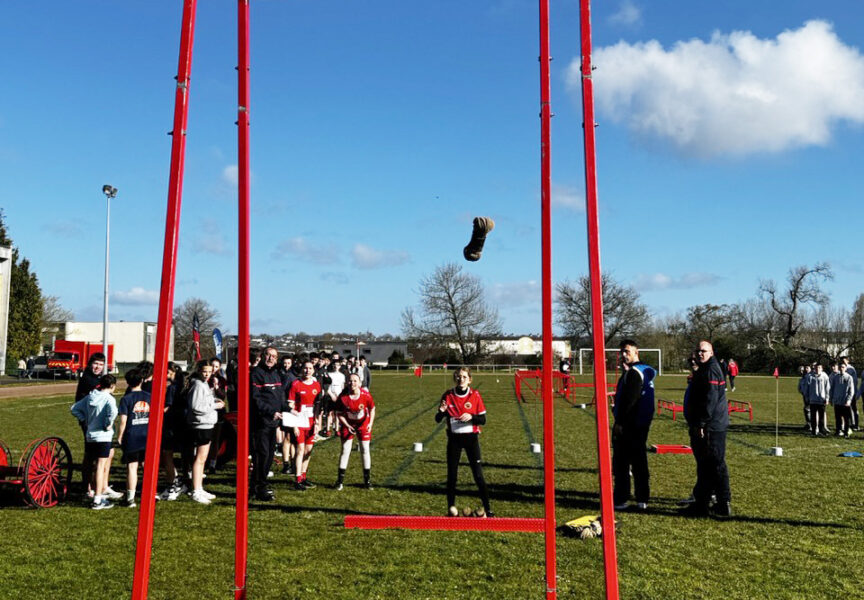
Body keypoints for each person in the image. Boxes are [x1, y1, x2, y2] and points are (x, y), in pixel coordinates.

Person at [681, 341, 731, 518]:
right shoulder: (705, 369)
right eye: (698, 351)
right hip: (708, 424)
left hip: (711, 426)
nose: (700, 354)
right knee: (706, 465)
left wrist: (701, 423)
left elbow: (710, 398)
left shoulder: (710, 369)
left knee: (714, 464)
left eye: (704, 351)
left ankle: (722, 504)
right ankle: (702, 502)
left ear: (711, 352)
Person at [435, 367, 493, 517]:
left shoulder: (475, 395)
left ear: (470, 379)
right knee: (452, 475)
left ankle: (488, 510)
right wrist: (441, 412)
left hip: (471, 439)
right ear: (455, 378)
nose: (461, 380)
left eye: (464, 377)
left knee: (478, 475)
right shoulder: (448, 395)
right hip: (454, 440)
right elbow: (437, 419)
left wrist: (472, 417)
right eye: (459, 377)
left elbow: (483, 420)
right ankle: (451, 509)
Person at [611, 340, 656, 511]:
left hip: (630, 424)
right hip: (641, 423)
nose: (624, 354)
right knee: (638, 461)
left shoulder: (634, 373)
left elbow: (630, 401)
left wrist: (620, 422)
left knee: (622, 462)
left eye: (627, 351)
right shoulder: (644, 370)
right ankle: (642, 498)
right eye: (622, 351)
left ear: (636, 352)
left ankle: (622, 498)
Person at [71, 374, 121, 510]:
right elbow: (113, 413)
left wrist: (83, 420)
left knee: (90, 461)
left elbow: (74, 409)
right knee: (100, 466)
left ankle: (90, 491)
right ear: (112, 386)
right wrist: (108, 424)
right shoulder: (109, 399)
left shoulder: (90, 397)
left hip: (90, 436)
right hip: (103, 437)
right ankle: (98, 499)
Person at [186, 360, 224, 504]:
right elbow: (196, 406)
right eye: (204, 371)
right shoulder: (197, 385)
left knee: (202, 459)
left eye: (209, 371)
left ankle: (199, 488)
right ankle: (196, 490)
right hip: (201, 425)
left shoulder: (204, 384)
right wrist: (215, 405)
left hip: (207, 424)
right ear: (199, 370)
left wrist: (214, 398)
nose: (207, 374)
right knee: (200, 458)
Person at [250, 347, 286, 501]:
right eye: (268, 355)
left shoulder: (276, 374)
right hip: (261, 422)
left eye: (274, 356)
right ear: (263, 356)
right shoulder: (256, 374)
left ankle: (259, 485)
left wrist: (291, 410)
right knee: (262, 455)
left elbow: (280, 399)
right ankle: (258, 487)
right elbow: (255, 399)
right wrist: (271, 412)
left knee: (270, 456)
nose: (271, 358)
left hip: (273, 423)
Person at [116, 368, 151, 508]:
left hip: (132, 436)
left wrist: (120, 436)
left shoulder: (126, 399)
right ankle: (149, 493)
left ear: (127, 382)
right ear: (142, 380)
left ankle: (130, 498)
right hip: (146, 435)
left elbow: (123, 421)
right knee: (146, 466)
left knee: (132, 467)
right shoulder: (149, 396)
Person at [334, 373, 376, 490]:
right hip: (348, 424)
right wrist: (347, 425)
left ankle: (367, 481)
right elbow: (338, 413)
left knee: (365, 449)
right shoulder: (343, 397)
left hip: (363, 424)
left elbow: (372, 409)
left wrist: (370, 424)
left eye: (355, 381)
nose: (352, 383)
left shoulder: (366, 395)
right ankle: (340, 481)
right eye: (350, 381)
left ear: (360, 382)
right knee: (345, 450)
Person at [287, 360, 323, 490]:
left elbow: (318, 406)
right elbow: (290, 404)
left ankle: (303, 476)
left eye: (310, 368)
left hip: (311, 422)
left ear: (313, 370)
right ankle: (297, 478)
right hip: (299, 422)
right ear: (302, 370)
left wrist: (318, 422)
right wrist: (294, 425)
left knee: (308, 450)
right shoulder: (296, 384)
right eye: (305, 368)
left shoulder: (317, 385)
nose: (307, 370)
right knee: (300, 449)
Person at [829, 361, 854, 437]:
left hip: (845, 401)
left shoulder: (849, 377)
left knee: (846, 418)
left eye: (843, 367)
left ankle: (846, 432)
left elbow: (851, 390)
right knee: (838, 418)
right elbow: (832, 388)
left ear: (846, 368)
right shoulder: (835, 377)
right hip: (837, 401)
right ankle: (838, 431)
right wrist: (831, 398)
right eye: (840, 367)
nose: (841, 368)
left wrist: (849, 400)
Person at [808, 363, 830, 436]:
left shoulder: (825, 376)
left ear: (822, 368)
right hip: (813, 400)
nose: (818, 369)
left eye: (819, 367)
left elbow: (827, 388)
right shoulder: (810, 376)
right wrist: (808, 397)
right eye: (816, 368)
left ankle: (821, 430)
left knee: (821, 416)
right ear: (814, 368)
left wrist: (827, 398)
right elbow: (807, 388)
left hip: (821, 400)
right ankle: (814, 430)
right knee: (813, 416)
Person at [841, 357, 859, 431]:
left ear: (848, 361)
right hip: (844, 392)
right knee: (846, 408)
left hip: (852, 391)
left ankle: (855, 424)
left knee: (854, 408)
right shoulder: (841, 368)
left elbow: (854, 381)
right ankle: (848, 424)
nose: (843, 362)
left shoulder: (851, 369)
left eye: (844, 360)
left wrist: (852, 391)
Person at [798, 365, 813, 430]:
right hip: (805, 396)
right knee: (806, 410)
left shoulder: (811, 376)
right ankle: (808, 424)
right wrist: (802, 391)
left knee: (809, 410)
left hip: (811, 396)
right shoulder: (802, 378)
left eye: (807, 368)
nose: (804, 370)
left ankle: (812, 425)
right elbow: (800, 387)